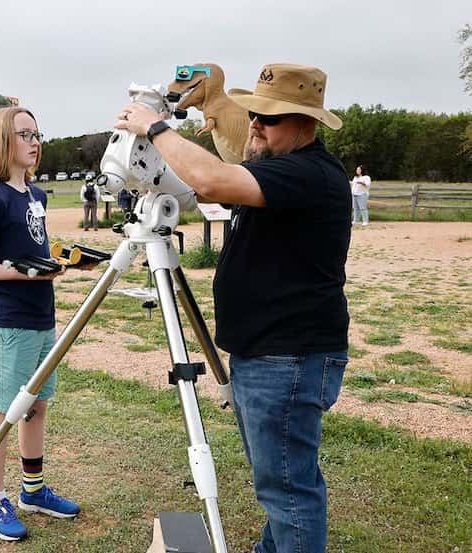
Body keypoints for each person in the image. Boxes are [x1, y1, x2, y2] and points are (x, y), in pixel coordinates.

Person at [116, 63, 350, 553]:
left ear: (307, 124)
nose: (257, 125)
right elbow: (198, 185)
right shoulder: (274, 169)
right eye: (254, 114)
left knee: (287, 488)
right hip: (263, 352)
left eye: (271, 118)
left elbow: (213, 180)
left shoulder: (307, 173)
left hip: (287, 356)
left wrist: (154, 127)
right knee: (282, 478)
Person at [0, 106, 80, 542]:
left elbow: (35, 249)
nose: (34, 141)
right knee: (5, 410)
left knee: (37, 406)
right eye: (24, 134)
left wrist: (59, 263)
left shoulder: (37, 196)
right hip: (11, 322)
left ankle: (32, 491)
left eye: (36, 133)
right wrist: (24, 272)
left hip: (42, 318)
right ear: (2, 142)